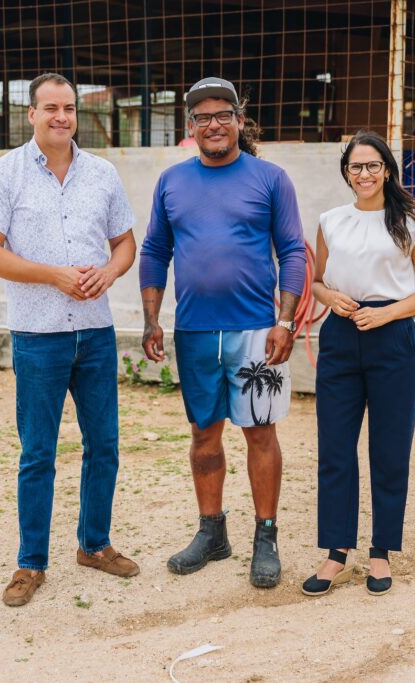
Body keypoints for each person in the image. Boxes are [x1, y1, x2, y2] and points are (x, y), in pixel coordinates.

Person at [0, 72, 140, 608]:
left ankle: (94, 545)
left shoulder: (102, 174)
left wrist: (109, 272)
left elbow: (125, 244)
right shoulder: (4, 174)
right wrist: (54, 275)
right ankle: (30, 563)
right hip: (38, 334)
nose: (62, 117)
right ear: (32, 114)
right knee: (38, 453)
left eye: (69, 108)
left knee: (104, 445)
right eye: (51, 108)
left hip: (95, 332)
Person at [139, 77, 307, 589]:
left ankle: (266, 537)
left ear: (239, 120)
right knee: (203, 433)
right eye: (202, 117)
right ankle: (212, 532)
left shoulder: (270, 179)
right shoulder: (171, 182)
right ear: (190, 127)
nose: (213, 125)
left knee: (260, 432)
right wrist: (151, 318)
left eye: (222, 115)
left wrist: (285, 321)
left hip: (256, 331)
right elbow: (154, 251)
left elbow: (293, 251)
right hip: (194, 331)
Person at [301, 130, 415, 597]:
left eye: (373, 165)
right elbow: (317, 281)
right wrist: (330, 298)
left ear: (386, 170)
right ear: (346, 173)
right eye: (356, 167)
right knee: (335, 449)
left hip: (392, 337)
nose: (364, 174)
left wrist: (387, 312)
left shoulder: (412, 221)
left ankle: (381, 551)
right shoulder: (331, 221)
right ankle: (336, 552)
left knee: (389, 450)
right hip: (341, 337)